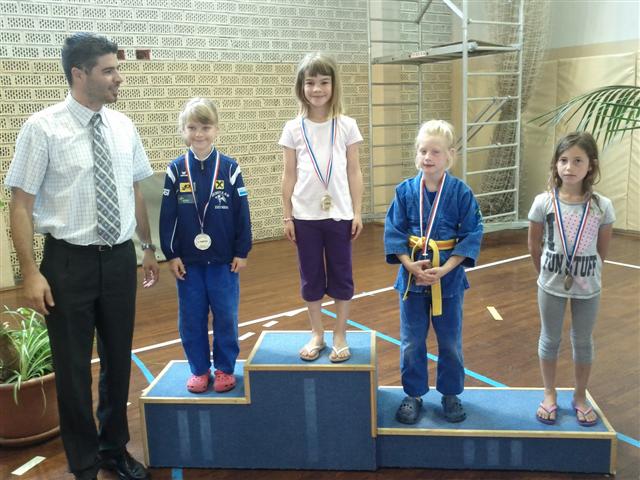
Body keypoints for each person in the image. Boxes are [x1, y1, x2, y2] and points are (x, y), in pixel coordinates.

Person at [6, 33, 159, 480]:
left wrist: (148, 248)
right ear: (79, 74)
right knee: (72, 371)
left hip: (119, 260)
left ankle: (114, 449)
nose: (118, 78)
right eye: (109, 70)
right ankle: (85, 463)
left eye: (117, 68)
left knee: (118, 359)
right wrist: (30, 272)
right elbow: (20, 204)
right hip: (68, 263)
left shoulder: (124, 127)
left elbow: (136, 190)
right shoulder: (42, 128)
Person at [384, 120, 483, 424]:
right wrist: (408, 263)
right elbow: (394, 231)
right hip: (412, 280)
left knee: (450, 341)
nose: (427, 157)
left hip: (448, 280)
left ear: (450, 155)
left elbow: (472, 233)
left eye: (435, 152)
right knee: (412, 341)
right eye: (423, 150)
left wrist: (446, 268)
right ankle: (413, 395)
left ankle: (450, 394)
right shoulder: (404, 191)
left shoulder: (461, 193)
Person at [159, 98, 251, 394]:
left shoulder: (230, 168)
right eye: (192, 128)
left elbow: (242, 213)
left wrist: (242, 250)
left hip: (224, 261)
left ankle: (224, 368)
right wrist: (171, 254)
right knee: (191, 318)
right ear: (183, 131)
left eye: (206, 127)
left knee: (225, 316)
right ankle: (199, 369)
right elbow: (167, 216)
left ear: (216, 129)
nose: (199, 134)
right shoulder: (175, 170)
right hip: (189, 264)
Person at [279, 52, 364, 363]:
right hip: (305, 217)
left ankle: (340, 333)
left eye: (324, 82)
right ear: (301, 86)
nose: (317, 89)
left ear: (334, 85)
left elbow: (354, 171)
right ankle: (317, 332)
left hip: (339, 215)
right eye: (310, 82)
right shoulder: (293, 128)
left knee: (342, 274)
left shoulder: (347, 125)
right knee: (311, 276)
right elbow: (288, 174)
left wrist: (357, 211)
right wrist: (287, 215)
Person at [528, 132, 614, 427]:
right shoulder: (543, 202)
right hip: (551, 284)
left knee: (583, 341)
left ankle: (579, 395)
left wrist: (587, 271)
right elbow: (533, 246)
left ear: (591, 165)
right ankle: (549, 393)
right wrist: (546, 274)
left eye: (578, 160)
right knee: (549, 339)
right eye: (563, 160)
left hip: (588, 286)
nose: (569, 167)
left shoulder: (602, 206)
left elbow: (602, 250)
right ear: (555, 164)